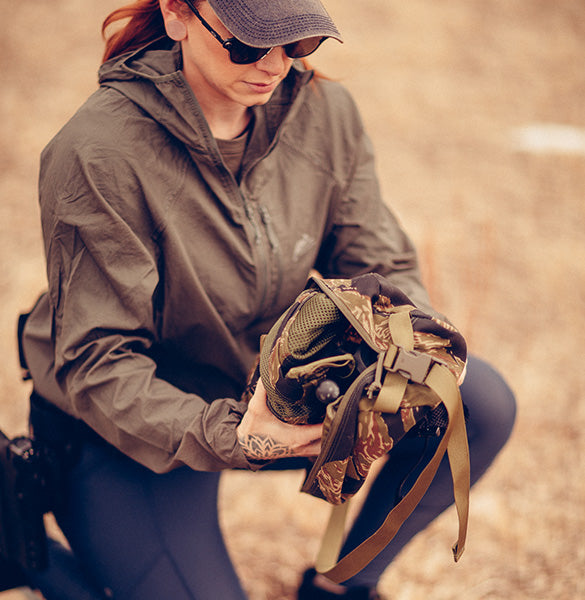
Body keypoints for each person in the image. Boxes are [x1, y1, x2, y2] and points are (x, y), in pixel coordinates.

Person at [12, 0, 516, 598]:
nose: (276, 65)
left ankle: (340, 586)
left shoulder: (326, 114)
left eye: (299, 43)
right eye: (248, 44)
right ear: (177, 15)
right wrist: (237, 435)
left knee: (476, 402)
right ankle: (22, 557)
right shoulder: (97, 152)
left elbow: (382, 265)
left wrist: (399, 351)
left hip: (266, 387)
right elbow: (98, 366)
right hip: (123, 428)